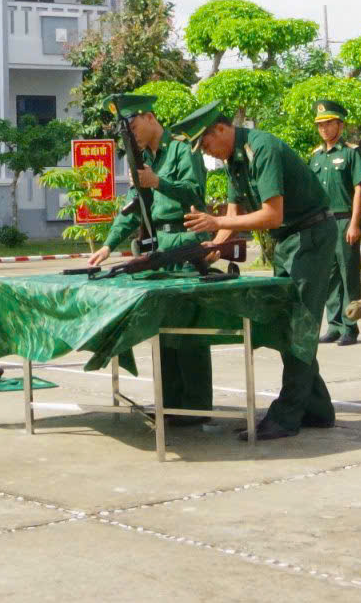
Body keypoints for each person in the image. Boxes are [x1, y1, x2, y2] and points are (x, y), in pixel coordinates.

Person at [178, 102, 335, 441]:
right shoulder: (234, 160)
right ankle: (317, 408)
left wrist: (217, 221)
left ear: (220, 130)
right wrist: (209, 251)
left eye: (206, 145)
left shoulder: (261, 148)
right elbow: (234, 216)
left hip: (309, 235)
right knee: (289, 322)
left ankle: (287, 416)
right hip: (289, 240)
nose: (208, 153)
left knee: (298, 324)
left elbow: (271, 215)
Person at [87, 94, 212, 415]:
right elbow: (132, 208)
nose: (131, 135)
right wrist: (108, 244)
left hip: (185, 242)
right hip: (158, 246)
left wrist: (159, 181)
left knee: (190, 332)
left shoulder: (184, 150)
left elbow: (195, 192)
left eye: (132, 126)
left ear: (149, 117)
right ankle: (171, 405)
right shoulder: (143, 159)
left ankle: (196, 407)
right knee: (165, 331)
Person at [308, 97, 361, 344]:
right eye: (320, 125)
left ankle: (350, 326)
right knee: (328, 276)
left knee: (348, 275)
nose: (324, 129)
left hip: (344, 220)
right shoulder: (316, 156)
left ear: (340, 126)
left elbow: (359, 189)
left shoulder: (350, 153)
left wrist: (355, 223)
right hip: (323, 223)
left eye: (329, 124)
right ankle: (333, 324)